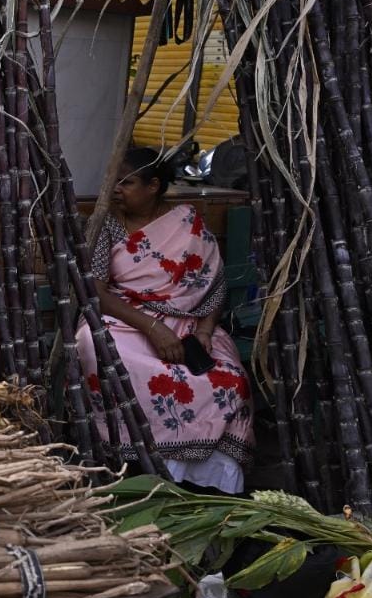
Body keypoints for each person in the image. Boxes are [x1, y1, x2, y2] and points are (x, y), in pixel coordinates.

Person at [76, 147, 253, 493]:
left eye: (126, 183)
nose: (115, 190)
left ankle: (204, 479)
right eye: (113, 182)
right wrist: (153, 328)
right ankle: (135, 462)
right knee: (93, 346)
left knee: (231, 381)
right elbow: (96, 292)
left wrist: (203, 331)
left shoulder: (189, 225)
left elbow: (213, 287)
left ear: (153, 185)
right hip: (127, 321)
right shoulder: (106, 225)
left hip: (186, 324)